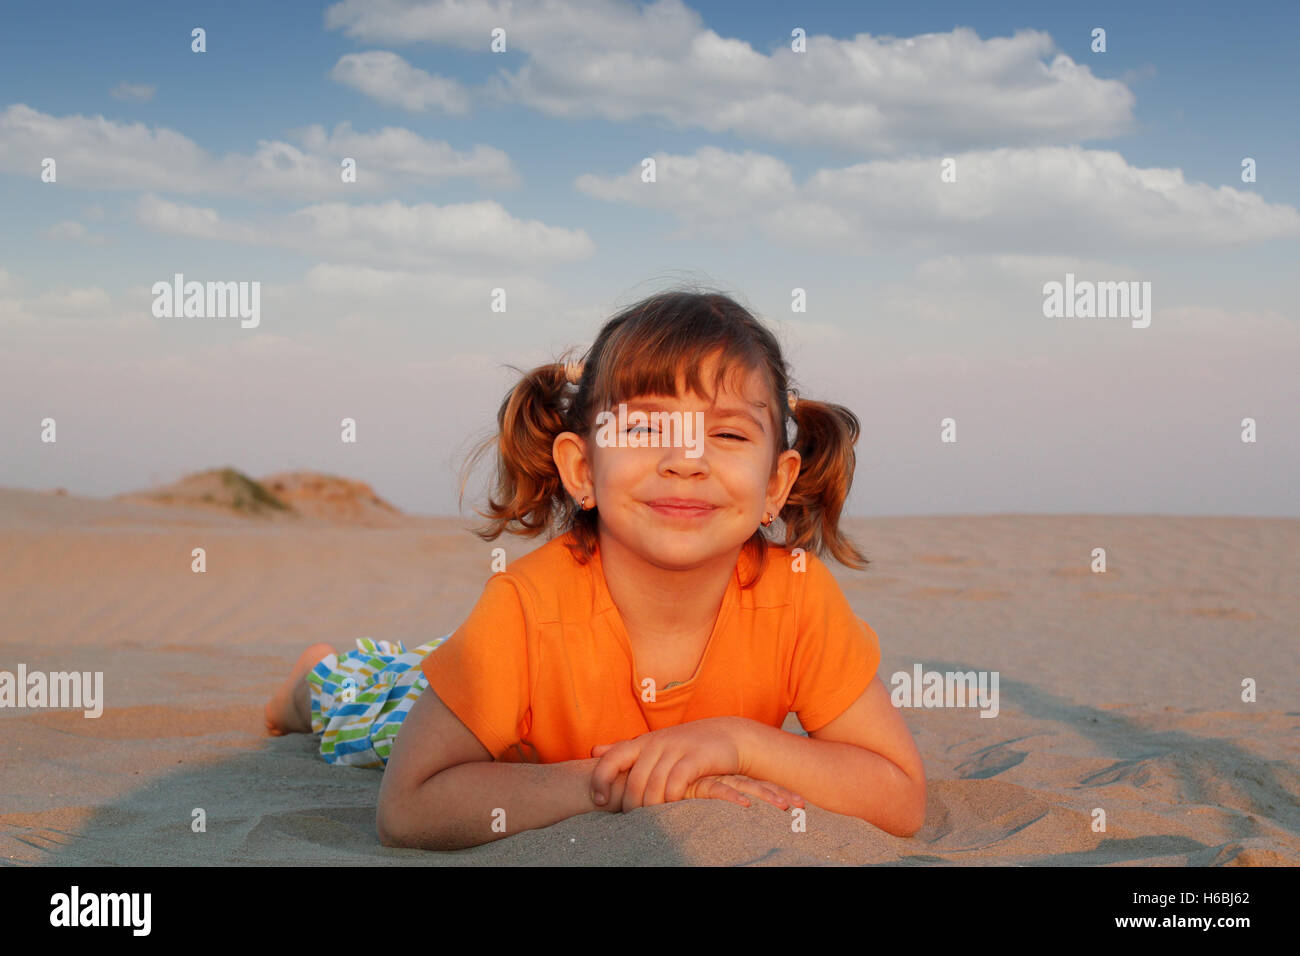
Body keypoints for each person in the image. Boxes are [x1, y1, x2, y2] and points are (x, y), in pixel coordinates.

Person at [265, 288, 926, 850]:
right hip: (498, 705)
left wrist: (738, 742)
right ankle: (310, 678)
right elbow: (407, 807)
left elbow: (899, 794)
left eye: (727, 435)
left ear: (776, 485)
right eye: (644, 430)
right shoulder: (526, 607)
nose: (686, 461)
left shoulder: (798, 598)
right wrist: (607, 784)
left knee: (435, 667)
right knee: (371, 700)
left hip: (501, 678)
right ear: (583, 469)